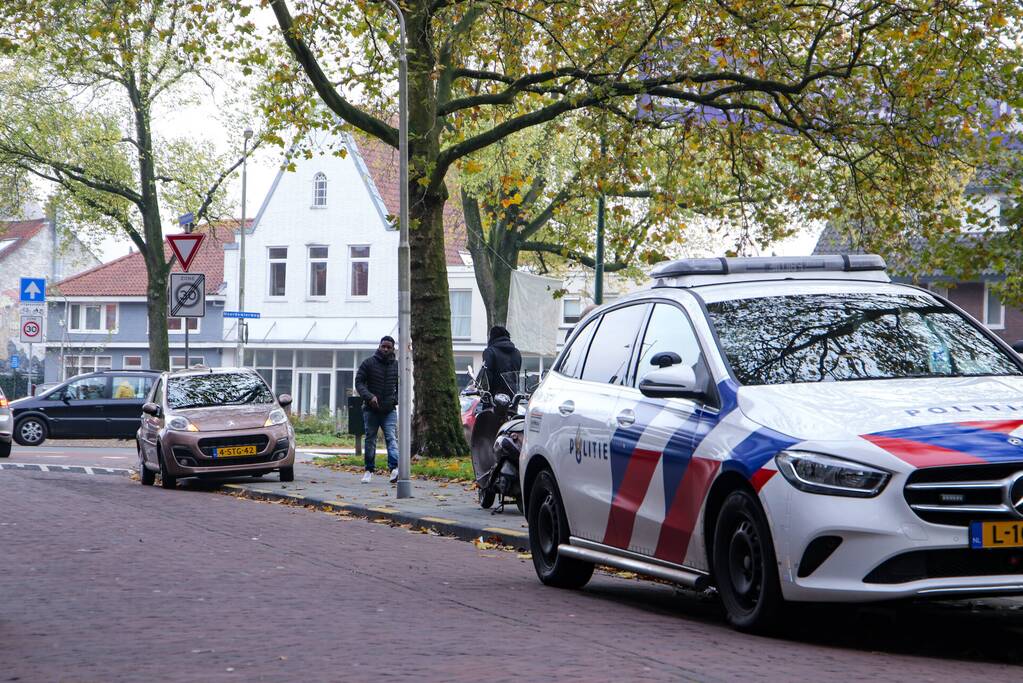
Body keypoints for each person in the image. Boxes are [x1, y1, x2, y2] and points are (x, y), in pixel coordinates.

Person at [355, 336, 400, 483]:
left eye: (388, 347)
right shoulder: (368, 363)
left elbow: (401, 384)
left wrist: (396, 399)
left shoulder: (397, 366)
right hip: (371, 410)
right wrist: (369, 397)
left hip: (389, 410)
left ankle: (394, 469)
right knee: (370, 440)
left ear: (393, 349)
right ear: (379, 346)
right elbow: (359, 382)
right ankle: (369, 470)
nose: (385, 349)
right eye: (383, 346)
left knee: (391, 438)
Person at [482, 325, 522, 397]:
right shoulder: (517, 352)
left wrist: (483, 391)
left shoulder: (490, 352)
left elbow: (486, 376)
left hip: (494, 399)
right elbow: (516, 375)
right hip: (512, 397)